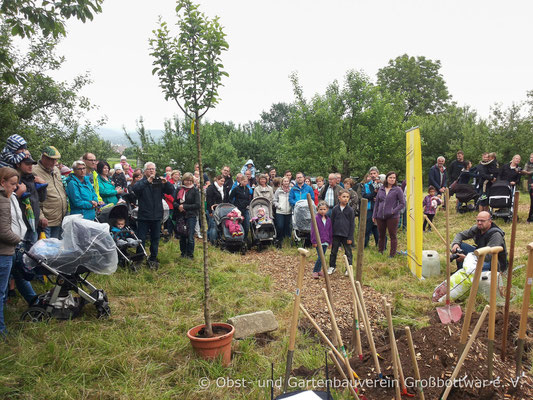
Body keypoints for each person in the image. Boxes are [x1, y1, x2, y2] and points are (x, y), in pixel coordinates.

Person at [131, 162, 174, 267]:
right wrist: (147, 182)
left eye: (153, 169)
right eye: (149, 169)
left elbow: (171, 190)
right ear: (145, 171)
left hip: (156, 215)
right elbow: (135, 189)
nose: (151, 171)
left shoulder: (159, 182)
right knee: (141, 238)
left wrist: (166, 182)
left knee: (155, 238)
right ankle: (139, 258)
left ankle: (153, 258)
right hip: (144, 216)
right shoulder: (142, 182)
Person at [0, 167, 23, 337]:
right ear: (2, 182)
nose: (15, 187)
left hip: (5, 250)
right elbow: (3, 231)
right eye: (12, 184)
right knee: (1, 293)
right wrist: (19, 241)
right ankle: (1, 331)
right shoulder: (3, 200)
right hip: (4, 251)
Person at [32, 146, 68, 239]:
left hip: (60, 217)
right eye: (51, 160)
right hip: (46, 220)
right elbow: (33, 197)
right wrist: (40, 216)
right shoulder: (34, 171)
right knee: (46, 249)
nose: (54, 163)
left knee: (57, 247)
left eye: (55, 160)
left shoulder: (56, 170)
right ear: (43, 158)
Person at [373, 171, 405, 257]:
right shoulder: (381, 189)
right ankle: (380, 252)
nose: (392, 179)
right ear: (386, 178)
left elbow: (402, 203)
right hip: (380, 216)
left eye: (394, 178)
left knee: (392, 235)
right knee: (381, 235)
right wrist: (374, 215)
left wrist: (393, 211)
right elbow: (377, 203)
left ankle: (392, 254)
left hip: (392, 217)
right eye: (390, 177)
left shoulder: (398, 189)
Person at [173, 172, 200, 258]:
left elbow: (197, 205)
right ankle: (183, 253)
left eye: (190, 180)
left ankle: (190, 254)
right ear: (183, 180)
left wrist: (184, 206)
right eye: (186, 180)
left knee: (190, 236)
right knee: (182, 235)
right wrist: (179, 207)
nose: (188, 182)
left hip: (191, 215)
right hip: (180, 215)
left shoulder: (195, 190)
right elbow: (174, 202)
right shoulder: (178, 189)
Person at [328, 189, 354, 275]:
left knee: (348, 252)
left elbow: (352, 224)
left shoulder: (350, 210)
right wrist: (330, 235)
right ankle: (332, 266)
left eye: (347, 197)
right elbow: (331, 222)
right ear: (339, 198)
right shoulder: (335, 209)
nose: (345, 199)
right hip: (336, 234)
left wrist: (350, 237)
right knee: (333, 251)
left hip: (346, 235)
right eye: (343, 197)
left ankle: (349, 268)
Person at [310, 201, 332, 279]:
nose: (322, 211)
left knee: (322, 256)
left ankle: (319, 270)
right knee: (321, 256)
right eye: (321, 209)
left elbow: (330, 231)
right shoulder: (315, 218)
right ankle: (315, 271)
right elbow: (313, 231)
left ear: (327, 210)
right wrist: (314, 241)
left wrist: (330, 242)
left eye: (324, 209)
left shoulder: (328, 220)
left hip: (326, 241)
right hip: (318, 241)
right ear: (317, 209)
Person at [362, 167, 380, 247]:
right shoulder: (366, 185)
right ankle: (364, 245)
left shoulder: (382, 184)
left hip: (379, 209)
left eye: (374, 173)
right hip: (369, 208)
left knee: (378, 228)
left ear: (378, 174)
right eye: (371, 174)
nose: (373, 175)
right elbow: (364, 196)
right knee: (367, 228)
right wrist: (374, 194)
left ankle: (380, 245)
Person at [273, 177, 291, 248]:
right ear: (282, 182)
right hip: (280, 211)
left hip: (289, 211)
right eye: (285, 181)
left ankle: (286, 242)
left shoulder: (291, 190)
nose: (286, 182)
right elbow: (274, 200)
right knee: (280, 226)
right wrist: (278, 205)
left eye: (287, 181)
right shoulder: (278, 190)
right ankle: (278, 240)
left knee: (287, 227)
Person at [206, 174, 225, 244]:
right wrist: (211, 211)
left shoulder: (223, 188)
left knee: (218, 225)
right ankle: (212, 241)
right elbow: (209, 200)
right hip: (212, 209)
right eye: (221, 181)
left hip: (220, 210)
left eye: (223, 181)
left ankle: (212, 238)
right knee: (213, 225)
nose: (222, 183)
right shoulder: (211, 188)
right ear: (217, 180)